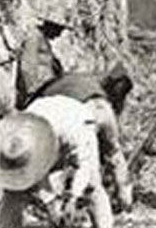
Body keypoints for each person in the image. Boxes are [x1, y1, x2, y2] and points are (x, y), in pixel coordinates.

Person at [0, 93, 116, 228]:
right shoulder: (18, 135)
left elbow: (84, 165)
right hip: (45, 124)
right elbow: (36, 175)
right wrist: (50, 203)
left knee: (92, 185)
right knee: (14, 187)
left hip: (75, 121)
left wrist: (73, 198)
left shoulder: (76, 131)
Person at [29, 67, 134, 211]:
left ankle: (62, 205)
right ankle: (125, 198)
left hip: (81, 112)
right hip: (102, 108)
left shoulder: (42, 101)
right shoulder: (89, 81)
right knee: (113, 152)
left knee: (80, 169)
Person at [14, 18, 65, 109]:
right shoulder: (34, 38)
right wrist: (31, 89)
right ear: (50, 26)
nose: (59, 34)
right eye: (58, 30)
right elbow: (27, 65)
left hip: (43, 88)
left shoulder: (44, 40)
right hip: (35, 90)